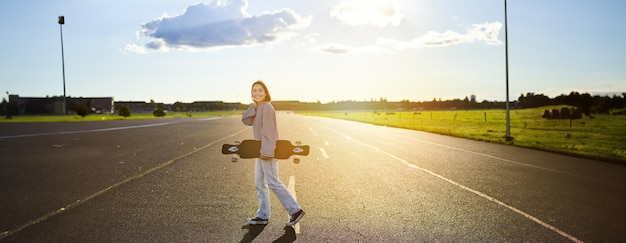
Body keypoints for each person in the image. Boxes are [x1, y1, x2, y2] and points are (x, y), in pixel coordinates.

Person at [241, 80, 305, 227]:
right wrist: (254, 106)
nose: (256, 93)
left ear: (266, 93)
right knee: (259, 183)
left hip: (267, 151)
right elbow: (245, 120)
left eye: (260, 91)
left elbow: (269, 133)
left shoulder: (267, 108)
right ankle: (263, 215)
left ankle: (295, 210)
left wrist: (267, 152)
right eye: (254, 91)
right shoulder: (259, 108)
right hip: (260, 151)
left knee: (273, 182)